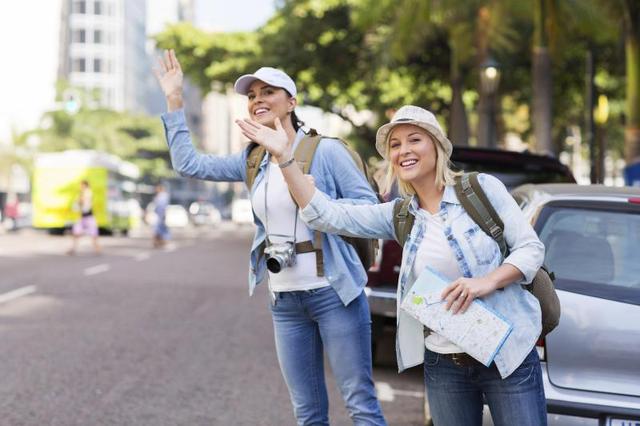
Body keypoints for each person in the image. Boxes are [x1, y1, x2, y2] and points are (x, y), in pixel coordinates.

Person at [238, 105, 548, 426]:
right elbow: (325, 215)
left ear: (438, 146)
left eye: (414, 139)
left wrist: (486, 282)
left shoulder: (481, 189)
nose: (404, 151)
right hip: (445, 363)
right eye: (395, 145)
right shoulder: (400, 214)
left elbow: (530, 248)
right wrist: (285, 158)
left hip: (507, 356)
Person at [153, 50, 386, 426]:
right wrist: (174, 98)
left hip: (334, 292)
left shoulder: (326, 152)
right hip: (285, 299)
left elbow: (368, 211)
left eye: (268, 92)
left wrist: (317, 200)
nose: (258, 99)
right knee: (307, 413)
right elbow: (188, 164)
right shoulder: (253, 160)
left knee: (360, 403)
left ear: (292, 102)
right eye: (251, 95)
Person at [67, 180, 101, 255]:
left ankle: (97, 249)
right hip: (83, 217)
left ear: (85, 185)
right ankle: (73, 248)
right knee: (76, 232)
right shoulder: (82, 193)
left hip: (89, 217)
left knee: (93, 234)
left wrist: (79, 201)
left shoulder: (88, 192)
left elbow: (84, 202)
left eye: (81, 185)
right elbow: (78, 205)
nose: (80, 187)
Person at [152, 184, 170, 248]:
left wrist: (162, 215)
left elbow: (162, 207)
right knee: (160, 229)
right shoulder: (160, 195)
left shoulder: (162, 196)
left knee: (159, 229)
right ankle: (159, 242)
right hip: (159, 215)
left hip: (160, 215)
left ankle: (161, 242)